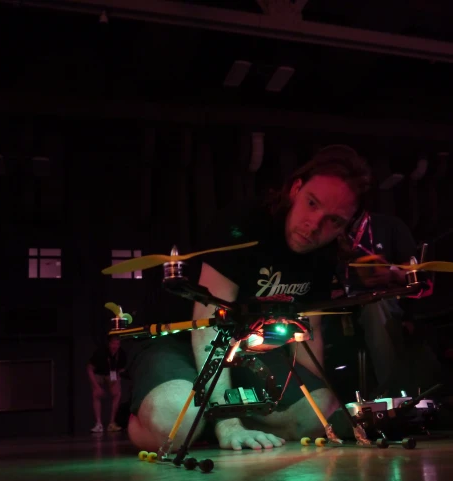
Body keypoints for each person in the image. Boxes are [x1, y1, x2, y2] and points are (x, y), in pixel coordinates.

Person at [126, 145, 372, 451]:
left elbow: (310, 332)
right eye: (312, 203)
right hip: (179, 338)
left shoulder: (324, 253)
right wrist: (227, 424)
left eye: (334, 220)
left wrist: (321, 399)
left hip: (242, 350)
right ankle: (160, 418)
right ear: (296, 189)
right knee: (178, 425)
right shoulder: (243, 224)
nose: (315, 225)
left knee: (319, 414)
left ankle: (219, 417)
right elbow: (208, 326)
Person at [338, 211, 439, 396]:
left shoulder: (388, 225)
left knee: (376, 307)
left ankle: (394, 396)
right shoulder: (329, 234)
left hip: (382, 301)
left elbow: (415, 274)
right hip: (342, 307)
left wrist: (391, 274)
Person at [87, 336, 128, 433]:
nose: (115, 346)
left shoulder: (121, 354)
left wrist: (117, 381)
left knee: (117, 393)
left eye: (117, 344)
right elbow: (89, 369)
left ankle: (112, 423)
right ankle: (98, 424)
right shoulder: (100, 353)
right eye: (113, 343)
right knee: (96, 394)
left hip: (111, 374)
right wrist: (97, 387)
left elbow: (120, 370)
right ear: (109, 344)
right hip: (98, 373)